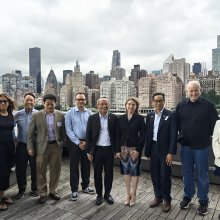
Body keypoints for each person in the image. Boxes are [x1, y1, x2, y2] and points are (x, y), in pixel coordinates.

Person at [176, 80, 219, 216]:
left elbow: (215, 127)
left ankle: (203, 200)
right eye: (191, 90)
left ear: (200, 90)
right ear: (186, 92)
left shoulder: (209, 106)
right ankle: (188, 196)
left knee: (202, 175)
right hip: (186, 146)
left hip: (202, 147)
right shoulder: (181, 105)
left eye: (196, 90)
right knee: (186, 173)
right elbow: (177, 124)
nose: (193, 93)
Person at [27, 94, 65, 204]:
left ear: (55, 103)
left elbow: (63, 132)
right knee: (40, 171)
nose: (50, 106)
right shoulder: (37, 115)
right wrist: (30, 147)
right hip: (41, 147)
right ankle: (42, 193)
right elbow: (30, 133)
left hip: (56, 146)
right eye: (47, 103)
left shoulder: (61, 115)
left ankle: (53, 191)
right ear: (43, 103)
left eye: (52, 104)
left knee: (55, 170)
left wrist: (62, 143)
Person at [145, 93, 177, 212]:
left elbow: (174, 135)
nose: (158, 103)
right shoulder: (150, 115)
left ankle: (167, 199)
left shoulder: (171, 115)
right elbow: (148, 134)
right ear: (153, 102)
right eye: (156, 101)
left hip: (165, 150)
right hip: (153, 148)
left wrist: (170, 152)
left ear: (164, 101)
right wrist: (147, 152)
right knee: (155, 174)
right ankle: (158, 196)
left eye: (160, 101)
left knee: (165, 175)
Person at [86, 97, 117, 206]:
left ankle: (107, 194)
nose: (104, 106)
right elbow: (88, 135)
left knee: (109, 174)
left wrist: (116, 150)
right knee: (97, 174)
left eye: (106, 104)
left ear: (109, 105)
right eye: (101, 104)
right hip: (97, 150)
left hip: (109, 150)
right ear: (97, 106)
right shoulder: (92, 118)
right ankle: (99, 195)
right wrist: (89, 151)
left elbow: (116, 136)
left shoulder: (113, 118)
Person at [116, 97, 145, 207]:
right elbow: (117, 135)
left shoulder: (140, 119)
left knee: (134, 172)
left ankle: (134, 194)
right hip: (123, 149)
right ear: (125, 105)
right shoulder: (121, 118)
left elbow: (143, 136)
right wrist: (118, 149)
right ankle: (128, 194)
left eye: (133, 104)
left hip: (135, 149)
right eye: (129, 104)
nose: (131, 106)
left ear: (136, 106)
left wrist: (138, 150)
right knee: (126, 172)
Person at [65, 92, 95, 201]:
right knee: (74, 166)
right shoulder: (69, 113)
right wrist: (78, 142)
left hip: (87, 142)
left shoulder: (90, 113)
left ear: (85, 100)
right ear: (75, 101)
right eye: (78, 99)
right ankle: (74, 190)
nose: (81, 101)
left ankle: (85, 186)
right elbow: (68, 130)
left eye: (82, 99)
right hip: (74, 143)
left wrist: (87, 142)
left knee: (86, 165)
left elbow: (92, 129)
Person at [14, 93, 38, 199]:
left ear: (34, 101)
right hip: (21, 145)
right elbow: (10, 128)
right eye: (27, 100)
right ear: (23, 101)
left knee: (35, 168)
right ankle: (21, 190)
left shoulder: (38, 114)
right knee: (20, 169)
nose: (29, 102)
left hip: (34, 146)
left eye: (31, 100)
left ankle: (35, 189)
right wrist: (15, 139)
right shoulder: (17, 114)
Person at [0, 94, 15, 211]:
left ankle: (2, 195)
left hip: (9, 147)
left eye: (5, 101)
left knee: (6, 172)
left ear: (8, 103)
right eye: (0, 101)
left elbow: (12, 132)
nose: (2, 103)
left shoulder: (10, 116)